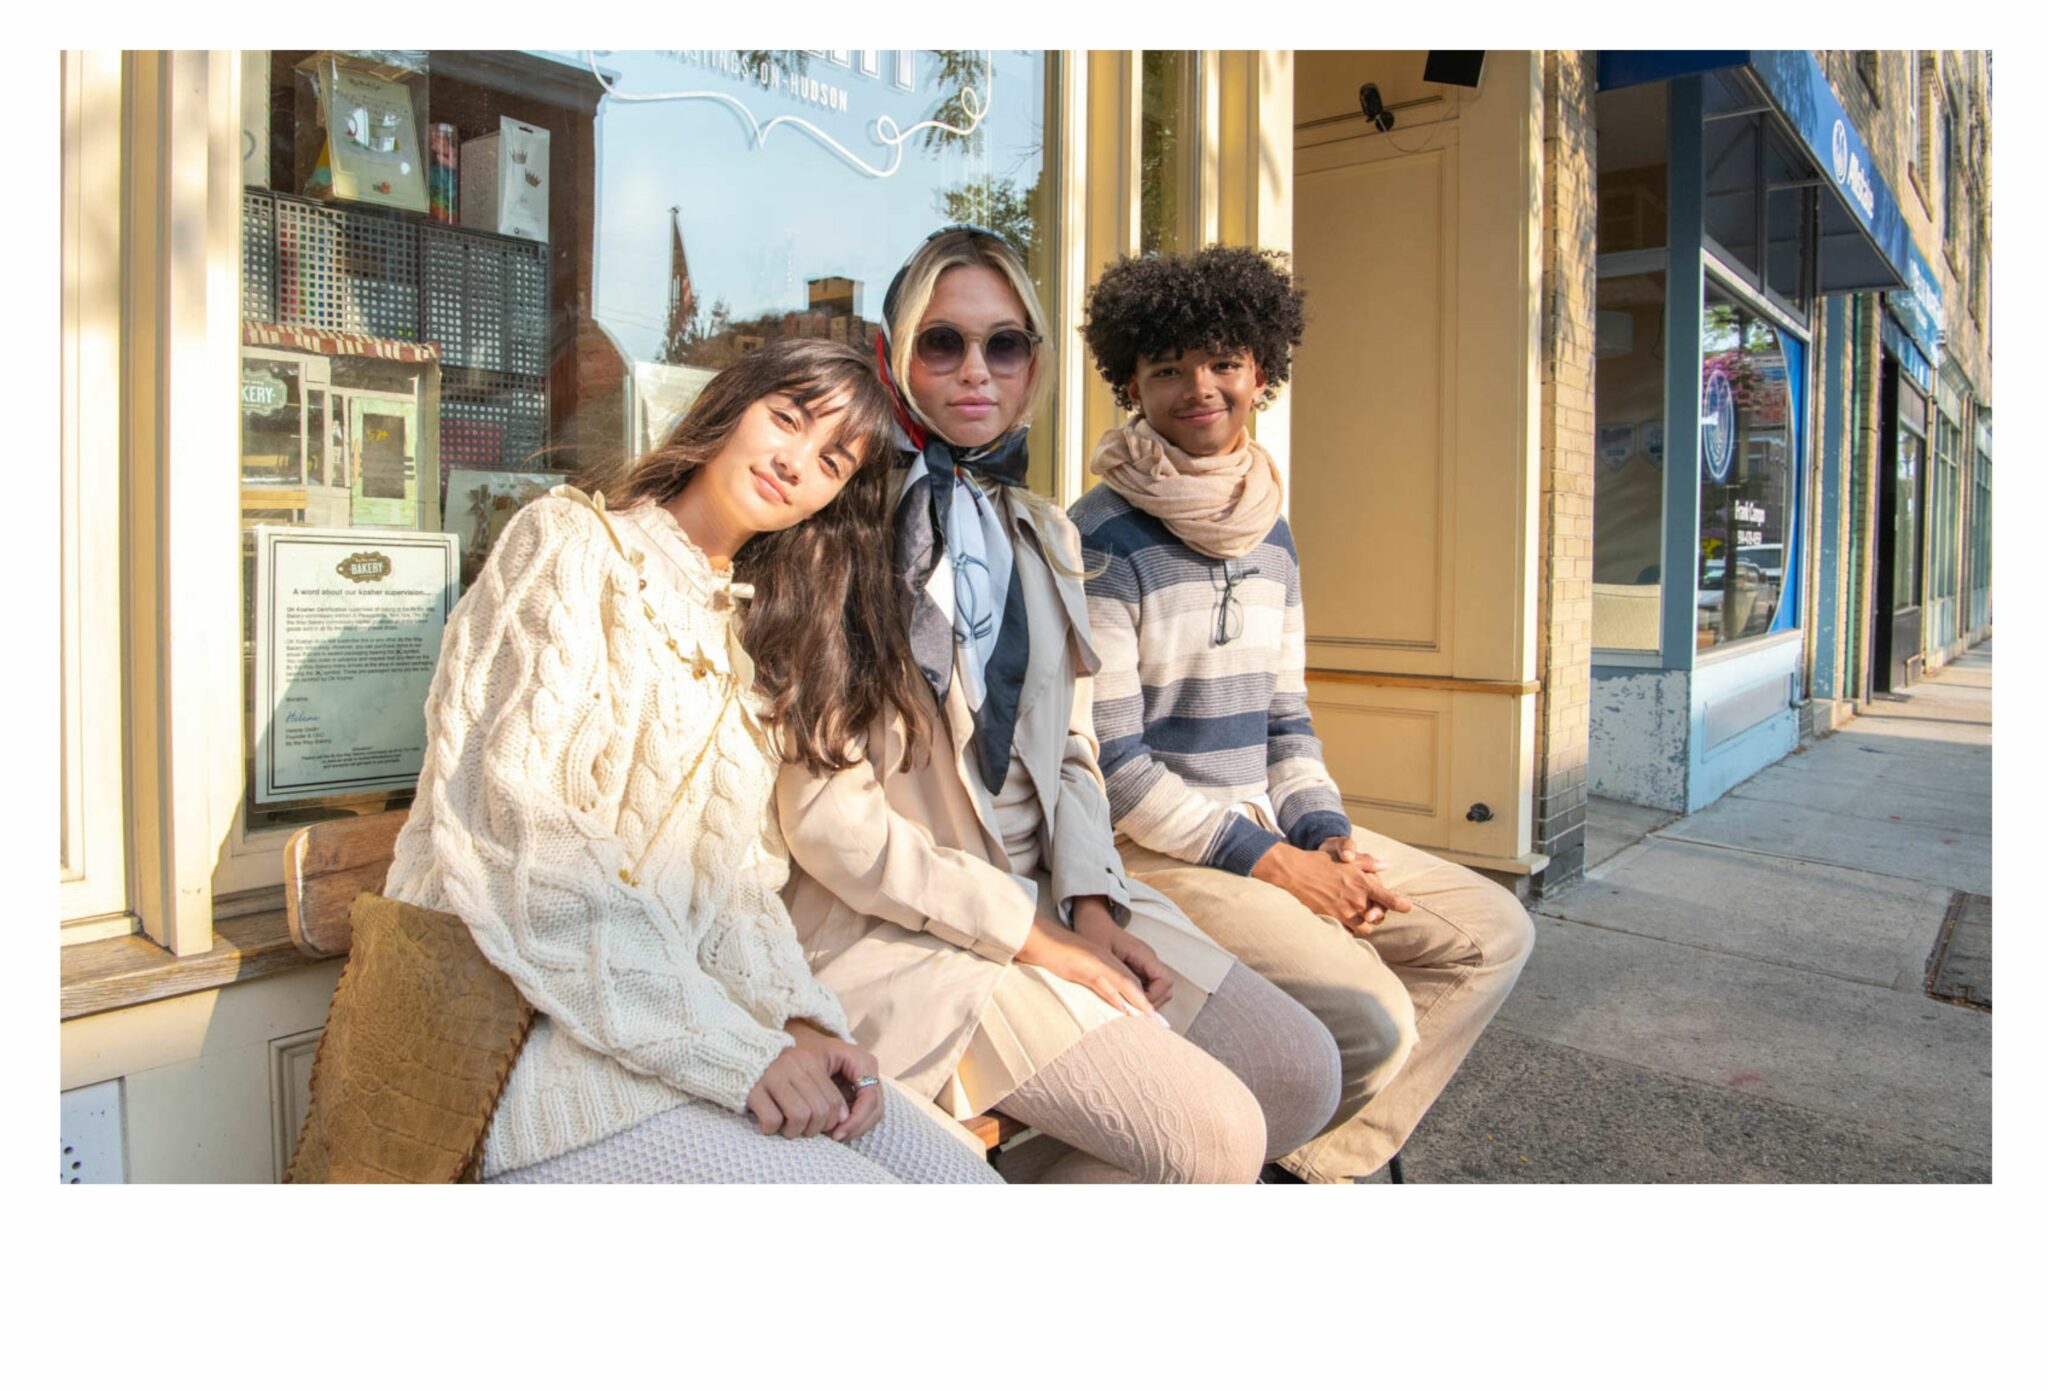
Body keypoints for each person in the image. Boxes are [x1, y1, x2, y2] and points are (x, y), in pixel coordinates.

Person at [775, 226, 1343, 1184]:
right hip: (908, 926)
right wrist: (1033, 934)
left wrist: (1091, 901)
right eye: (942, 342)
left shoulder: (1042, 529)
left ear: (1034, 367)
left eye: (1004, 345)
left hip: (1055, 890)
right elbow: (826, 821)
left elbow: (1075, 749)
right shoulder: (833, 535)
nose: (975, 372)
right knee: (1210, 1140)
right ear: (895, 355)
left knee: (1301, 1074)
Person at [383, 337, 1001, 1184]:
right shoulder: (570, 546)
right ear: (731, 405)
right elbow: (528, 836)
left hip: (678, 1035)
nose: (795, 462)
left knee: (966, 1184)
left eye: (830, 460)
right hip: (524, 1047)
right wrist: (736, 1048)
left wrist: (799, 1020)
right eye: (786, 417)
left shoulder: (746, 633)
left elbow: (741, 886)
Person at [1070, 245, 1536, 1182]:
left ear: (1262, 373)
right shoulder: (1099, 539)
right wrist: (1278, 865)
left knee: (1494, 934)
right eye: (1168, 370)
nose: (1200, 388)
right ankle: (1286, 1154)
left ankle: (1314, 1166)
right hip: (1161, 850)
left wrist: (1326, 837)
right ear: (1132, 383)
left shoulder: (1270, 528)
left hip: (1268, 823)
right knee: (1372, 1019)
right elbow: (1115, 766)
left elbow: (1287, 717)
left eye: (1223, 363)